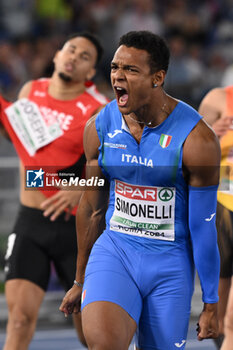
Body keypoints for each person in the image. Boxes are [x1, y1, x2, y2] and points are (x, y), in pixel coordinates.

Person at [59, 30, 220, 350]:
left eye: (130, 70)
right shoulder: (99, 127)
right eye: (115, 67)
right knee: (103, 345)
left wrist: (211, 303)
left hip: (170, 264)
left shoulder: (197, 139)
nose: (118, 75)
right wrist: (79, 280)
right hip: (115, 252)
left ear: (157, 77)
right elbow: (91, 209)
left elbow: (203, 227)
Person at [0, 32, 108, 350]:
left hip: (77, 231)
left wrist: (82, 186)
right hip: (31, 223)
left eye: (84, 56)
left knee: (89, 333)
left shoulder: (98, 109)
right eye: (70, 50)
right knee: (18, 322)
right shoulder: (30, 90)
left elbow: (114, 172)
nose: (74, 57)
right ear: (58, 54)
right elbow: (23, 143)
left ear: (90, 72)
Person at [199, 86, 233, 349]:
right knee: (218, 321)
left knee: (231, 321)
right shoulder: (218, 98)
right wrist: (212, 134)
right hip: (221, 209)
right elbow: (194, 153)